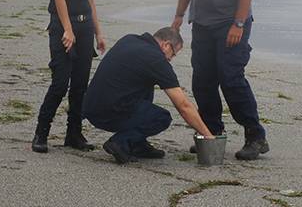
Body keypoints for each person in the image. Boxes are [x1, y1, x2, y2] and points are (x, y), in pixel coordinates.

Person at [171, 0, 268, 161]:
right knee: (202, 80)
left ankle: (255, 136)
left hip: (231, 23)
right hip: (202, 23)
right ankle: (212, 131)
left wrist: (238, 23)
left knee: (231, 78)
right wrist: (179, 15)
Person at [32, 0, 107, 153]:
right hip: (63, 27)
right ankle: (41, 133)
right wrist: (67, 29)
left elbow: (91, 0)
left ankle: (74, 134)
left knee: (80, 85)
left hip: (85, 29)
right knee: (60, 82)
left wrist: (99, 33)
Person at [82, 27, 214, 163]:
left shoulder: (130, 39)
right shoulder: (156, 60)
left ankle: (138, 145)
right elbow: (183, 106)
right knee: (161, 118)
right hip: (108, 114)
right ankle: (120, 142)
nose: (171, 59)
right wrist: (208, 136)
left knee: (146, 83)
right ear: (166, 45)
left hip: (91, 107)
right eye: (173, 54)